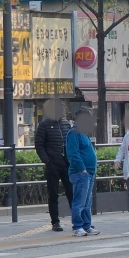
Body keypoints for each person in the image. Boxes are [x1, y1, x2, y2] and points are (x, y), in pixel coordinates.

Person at [34, 98, 73, 232]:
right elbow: (39, 146)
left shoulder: (66, 124)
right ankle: (55, 221)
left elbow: (71, 143)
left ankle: (77, 219)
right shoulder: (44, 125)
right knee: (53, 193)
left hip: (67, 164)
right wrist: (47, 161)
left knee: (71, 192)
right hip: (53, 164)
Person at [65, 109, 99, 237]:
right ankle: (78, 226)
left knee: (87, 201)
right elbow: (73, 153)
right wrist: (82, 168)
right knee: (79, 201)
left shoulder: (83, 133)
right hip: (81, 173)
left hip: (88, 172)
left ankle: (87, 225)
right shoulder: (74, 133)